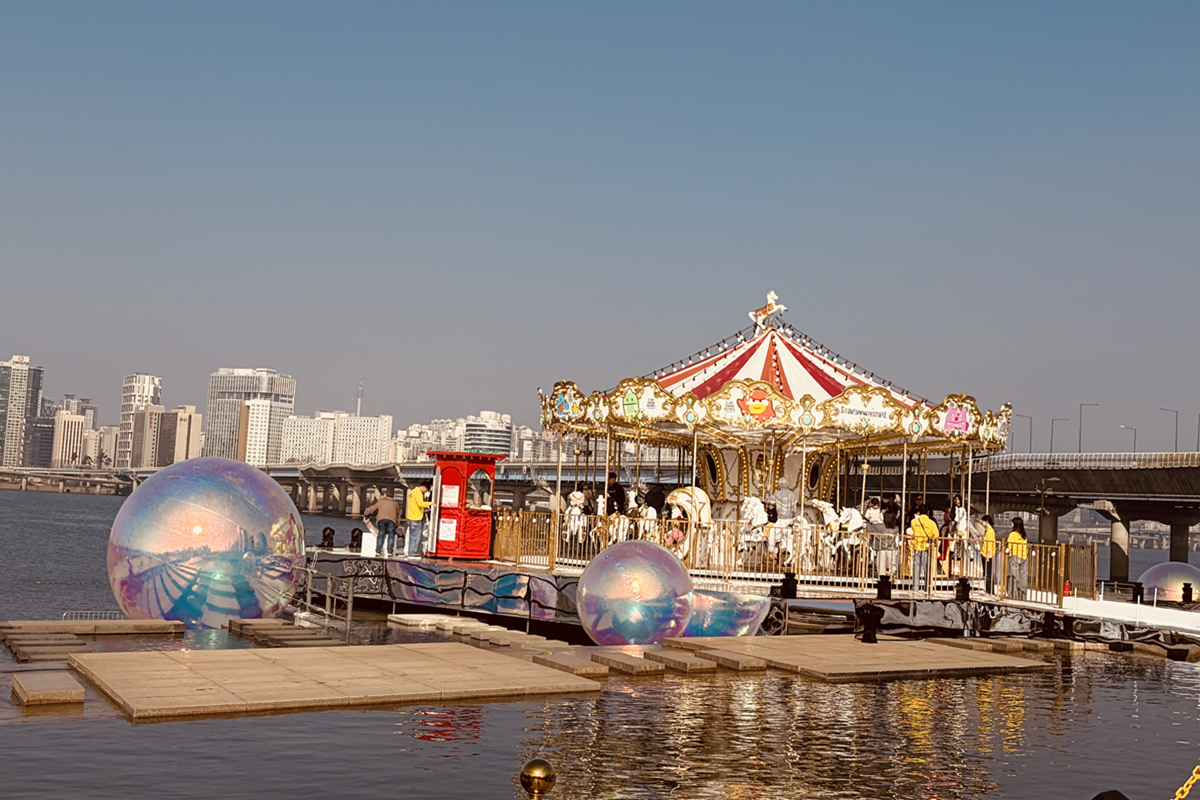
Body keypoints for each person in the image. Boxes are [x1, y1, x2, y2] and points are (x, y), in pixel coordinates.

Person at [908, 505, 938, 594]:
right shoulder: (932, 523)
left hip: (917, 546)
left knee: (916, 568)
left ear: (919, 512)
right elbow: (936, 534)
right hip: (927, 547)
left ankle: (915, 588)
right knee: (927, 568)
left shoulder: (914, 522)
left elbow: (913, 529)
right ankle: (927, 588)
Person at [364, 491, 402, 558]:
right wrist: (397, 524)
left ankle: (378, 551)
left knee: (381, 534)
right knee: (391, 535)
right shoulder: (395, 503)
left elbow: (372, 508)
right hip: (392, 520)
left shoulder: (381, 501)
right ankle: (390, 552)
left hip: (381, 519)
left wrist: (366, 513)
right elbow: (398, 515)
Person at [405, 483, 432, 557]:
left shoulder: (412, 492)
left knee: (411, 537)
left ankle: (410, 553)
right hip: (416, 518)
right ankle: (413, 553)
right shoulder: (418, 493)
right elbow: (420, 503)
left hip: (411, 517)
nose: (425, 491)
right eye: (426, 490)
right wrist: (431, 503)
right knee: (415, 537)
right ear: (423, 487)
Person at [1006, 517, 1029, 599]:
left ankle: (1011, 595)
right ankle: (1022, 595)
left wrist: (1007, 550)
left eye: (1012, 523)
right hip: (1023, 557)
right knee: (1022, 577)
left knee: (1013, 577)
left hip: (1014, 556)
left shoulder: (1012, 534)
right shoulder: (1024, 535)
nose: (1011, 525)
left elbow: (1010, 545)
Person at [979, 514, 999, 594]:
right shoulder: (987, 530)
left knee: (988, 573)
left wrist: (988, 555)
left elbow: (990, 544)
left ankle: (990, 590)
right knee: (986, 573)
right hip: (984, 553)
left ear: (987, 522)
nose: (982, 523)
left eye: (983, 521)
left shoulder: (990, 531)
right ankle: (988, 589)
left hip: (987, 554)